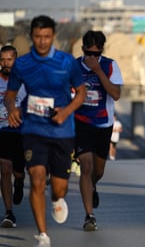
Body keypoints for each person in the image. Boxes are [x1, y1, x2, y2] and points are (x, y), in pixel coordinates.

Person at [4, 15, 86, 246]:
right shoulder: (22, 64)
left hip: (62, 130)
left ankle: (57, 199)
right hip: (33, 128)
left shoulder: (67, 62)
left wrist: (66, 111)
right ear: (32, 36)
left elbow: (81, 93)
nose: (42, 41)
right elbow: (10, 95)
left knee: (58, 188)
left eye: (47, 37)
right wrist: (12, 109)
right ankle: (43, 236)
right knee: (37, 179)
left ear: (53, 36)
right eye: (38, 37)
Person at [74, 30, 123, 231]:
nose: (93, 57)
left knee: (98, 170)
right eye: (90, 53)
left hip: (103, 124)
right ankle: (89, 216)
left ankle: (93, 185)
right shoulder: (74, 66)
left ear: (102, 50)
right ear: (83, 49)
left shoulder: (110, 65)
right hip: (80, 122)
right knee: (85, 167)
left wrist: (98, 71)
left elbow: (116, 94)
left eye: (97, 53)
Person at [0, 45, 26, 228]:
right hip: (2, 131)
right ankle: (9, 213)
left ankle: (20, 181)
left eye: (9, 59)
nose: (5, 63)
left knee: (17, 170)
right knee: (5, 168)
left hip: (21, 132)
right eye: (2, 60)